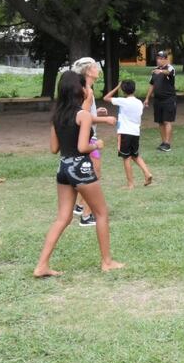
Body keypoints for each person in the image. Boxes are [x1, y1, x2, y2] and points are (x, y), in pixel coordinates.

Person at [33, 71, 124, 277]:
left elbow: (54, 148)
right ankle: (107, 262)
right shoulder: (82, 115)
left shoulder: (57, 116)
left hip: (63, 168)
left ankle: (42, 265)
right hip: (80, 169)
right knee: (101, 213)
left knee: (62, 218)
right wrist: (97, 144)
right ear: (79, 89)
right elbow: (83, 146)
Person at [70, 58, 117, 226]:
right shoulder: (85, 91)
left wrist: (97, 113)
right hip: (88, 138)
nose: (98, 68)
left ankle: (79, 206)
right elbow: (83, 118)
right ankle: (87, 216)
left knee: (87, 174)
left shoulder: (86, 88)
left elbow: (84, 114)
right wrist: (105, 120)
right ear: (88, 71)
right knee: (94, 175)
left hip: (87, 136)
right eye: (95, 66)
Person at [104, 79, 154, 188]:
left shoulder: (123, 101)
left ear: (123, 90)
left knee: (126, 158)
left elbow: (106, 98)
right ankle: (147, 173)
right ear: (134, 89)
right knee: (135, 155)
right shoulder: (139, 103)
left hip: (125, 132)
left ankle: (130, 184)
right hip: (135, 132)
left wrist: (117, 87)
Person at [144, 50, 177, 152]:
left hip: (169, 99)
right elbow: (152, 85)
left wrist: (162, 71)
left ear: (166, 59)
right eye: (158, 58)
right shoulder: (155, 70)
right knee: (160, 122)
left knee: (167, 121)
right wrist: (147, 98)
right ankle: (163, 142)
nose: (159, 60)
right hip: (157, 100)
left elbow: (169, 72)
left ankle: (167, 143)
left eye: (161, 58)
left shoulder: (170, 68)